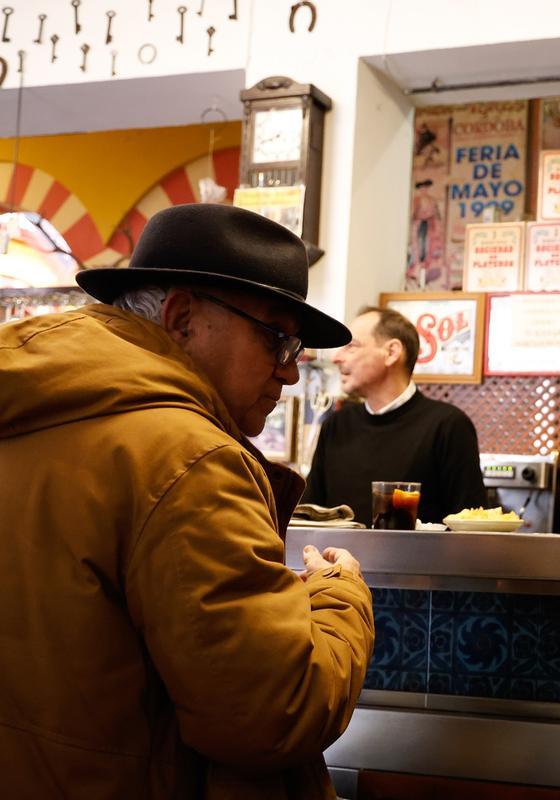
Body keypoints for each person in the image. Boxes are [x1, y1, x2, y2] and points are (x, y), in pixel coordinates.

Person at [0, 204, 375, 798]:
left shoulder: (25, 405)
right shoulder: (189, 460)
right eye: (276, 339)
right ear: (180, 319)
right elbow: (272, 714)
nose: (291, 374)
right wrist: (340, 596)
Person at [303, 306, 486, 526]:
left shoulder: (448, 425)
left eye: (351, 346)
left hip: (418, 561)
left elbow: (471, 527)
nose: (337, 357)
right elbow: (311, 517)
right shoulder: (337, 424)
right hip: (335, 561)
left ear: (392, 352)